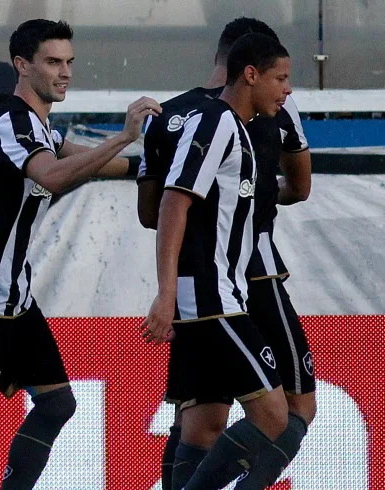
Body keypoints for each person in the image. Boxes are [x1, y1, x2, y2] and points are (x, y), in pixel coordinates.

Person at [0, 19, 160, 489]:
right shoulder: (11, 121)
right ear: (22, 65)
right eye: (53, 62)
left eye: (69, 63)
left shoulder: (38, 125)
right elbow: (54, 176)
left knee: (58, 404)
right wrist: (124, 135)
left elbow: (88, 160)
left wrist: (152, 163)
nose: (65, 73)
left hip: (12, 293)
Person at [138, 18, 313, 490]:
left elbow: (153, 208)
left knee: (205, 419)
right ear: (251, 73)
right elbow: (173, 203)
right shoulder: (214, 122)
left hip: (222, 292)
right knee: (277, 413)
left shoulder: (234, 126)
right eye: (281, 79)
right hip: (212, 296)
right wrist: (166, 295)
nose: (288, 92)